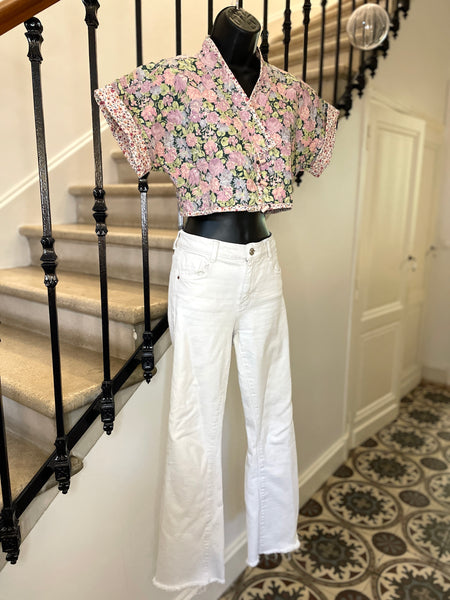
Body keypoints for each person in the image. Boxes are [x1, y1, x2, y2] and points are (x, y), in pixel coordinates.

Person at [95, 6, 339, 598]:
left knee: (273, 403)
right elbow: (127, 120)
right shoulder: (174, 81)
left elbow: (315, 146)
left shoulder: (288, 94)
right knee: (195, 418)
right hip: (204, 265)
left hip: (264, 261)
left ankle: (271, 533)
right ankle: (188, 566)